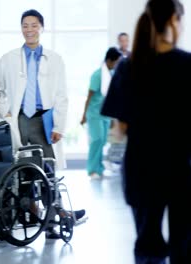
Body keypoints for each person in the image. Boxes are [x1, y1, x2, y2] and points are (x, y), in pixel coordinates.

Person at [101, 0, 191, 263]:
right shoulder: (187, 65)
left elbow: (120, 129)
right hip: (179, 169)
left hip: (141, 168)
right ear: (174, 20)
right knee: (183, 247)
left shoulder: (128, 67)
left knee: (147, 246)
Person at [0, 9, 84, 239]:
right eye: (25, 25)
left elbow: (62, 94)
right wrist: (7, 111)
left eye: (34, 25)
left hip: (44, 121)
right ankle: (32, 213)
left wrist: (58, 127)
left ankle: (53, 220)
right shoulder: (8, 59)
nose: (29, 30)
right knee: (24, 171)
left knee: (48, 171)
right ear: (21, 28)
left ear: (41, 28)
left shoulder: (55, 59)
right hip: (21, 119)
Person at [0, 83, 86, 240]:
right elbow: (18, 148)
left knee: (27, 169)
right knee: (42, 167)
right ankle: (59, 212)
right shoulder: (1, 124)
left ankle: (36, 211)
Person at [80, 47, 122, 179]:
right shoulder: (98, 75)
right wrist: (83, 115)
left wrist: (113, 118)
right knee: (96, 140)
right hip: (94, 114)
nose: (117, 65)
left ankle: (99, 168)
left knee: (103, 141)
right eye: (116, 62)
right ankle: (92, 170)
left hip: (106, 115)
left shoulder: (111, 74)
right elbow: (89, 96)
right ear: (110, 60)